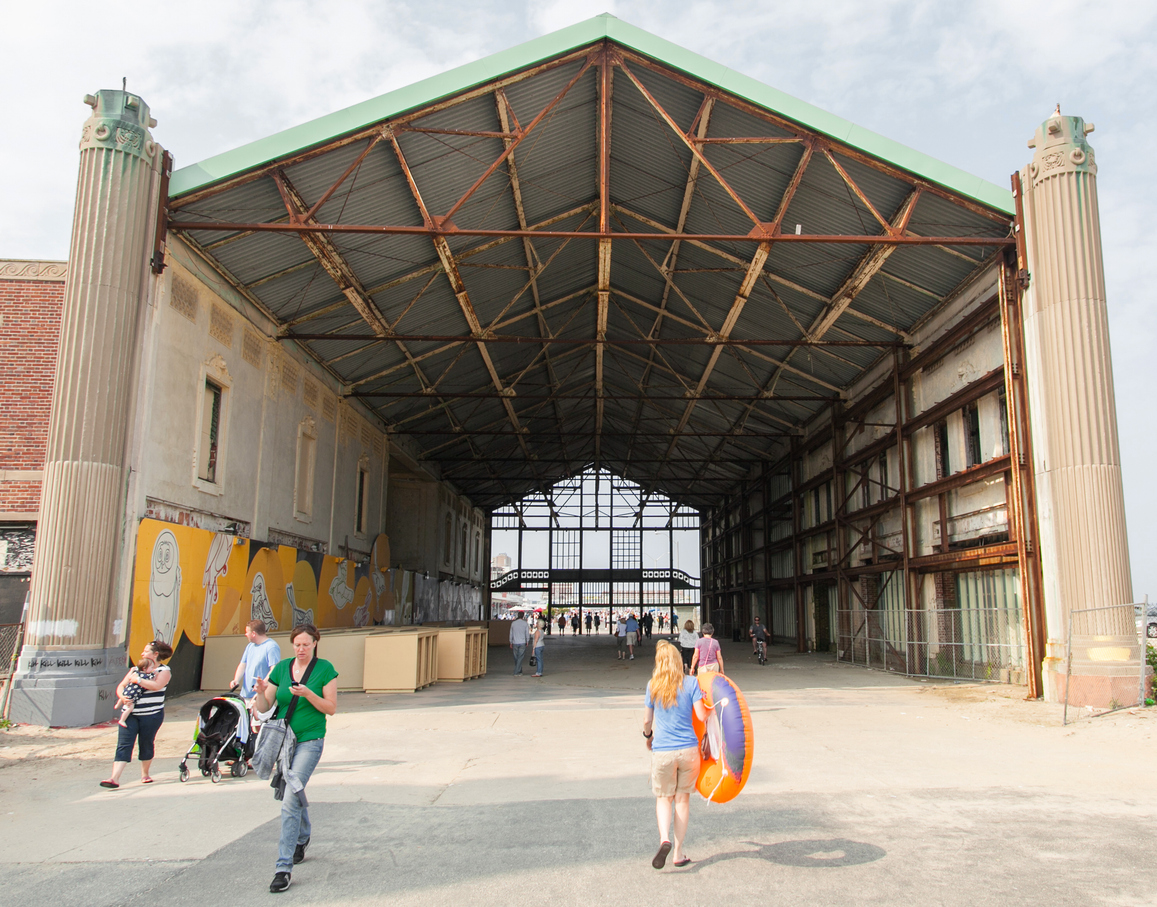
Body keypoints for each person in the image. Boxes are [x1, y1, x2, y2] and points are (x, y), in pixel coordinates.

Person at [254, 623, 338, 893]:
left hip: (310, 740)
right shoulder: (281, 668)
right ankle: (302, 836)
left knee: (290, 796)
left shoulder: (325, 669)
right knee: (293, 790)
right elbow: (265, 707)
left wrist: (309, 693)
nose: (301, 649)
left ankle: (282, 868)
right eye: (297, 644)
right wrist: (258, 694)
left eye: (306, 644)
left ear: (315, 643)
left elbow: (331, 708)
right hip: (284, 741)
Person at [643, 640, 708, 870]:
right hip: (689, 750)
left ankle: (664, 839)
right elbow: (701, 716)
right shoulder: (691, 683)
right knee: (682, 800)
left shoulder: (653, 685)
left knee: (663, 798)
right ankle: (678, 853)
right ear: (679, 661)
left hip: (663, 750)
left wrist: (647, 736)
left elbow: (647, 721)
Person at [100, 640, 174, 789]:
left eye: (146, 651)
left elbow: (157, 686)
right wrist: (122, 696)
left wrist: (138, 680)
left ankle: (145, 773)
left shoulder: (163, 671)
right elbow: (121, 685)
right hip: (131, 714)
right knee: (124, 744)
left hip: (151, 714)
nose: (142, 653)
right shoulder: (135, 669)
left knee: (146, 743)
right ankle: (114, 778)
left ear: (155, 654)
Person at [232, 619, 282, 725]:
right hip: (246, 694)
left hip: (261, 695)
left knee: (259, 724)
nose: (245, 634)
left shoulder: (271, 646)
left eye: (247, 632)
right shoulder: (250, 646)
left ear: (253, 633)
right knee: (245, 725)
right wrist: (236, 679)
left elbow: (274, 669)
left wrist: (262, 684)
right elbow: (243, 664)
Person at [114, 656, 156, 727]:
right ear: (144, 668)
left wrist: (131, 671)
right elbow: (151, 683)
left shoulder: (136, 673)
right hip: (134, 694)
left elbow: (128, 678)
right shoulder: (146, 676)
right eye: (151, 667)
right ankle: (122, 720)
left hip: (128, 690)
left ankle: (117, 705)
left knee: (123, 697)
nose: (152, 669)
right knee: (130, 708)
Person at [510, 611, 530, 675]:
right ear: (523, 616)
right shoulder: (525, 623)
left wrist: (510, 642)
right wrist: (527, 641)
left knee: (516, 657)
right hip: (522, 642)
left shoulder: (513, 623)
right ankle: (517, 672)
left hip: (515, 642)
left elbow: (511, 633)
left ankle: (519, 671)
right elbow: (527, 633)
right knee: (520, 657)